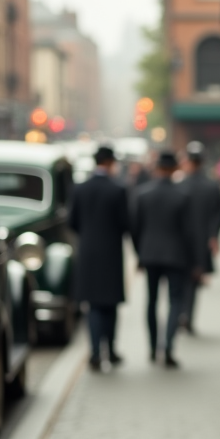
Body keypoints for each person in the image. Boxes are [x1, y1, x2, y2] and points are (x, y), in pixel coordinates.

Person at [68, 145, 128, 371]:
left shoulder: (80, 189)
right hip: (111, 253)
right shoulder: (118, 190)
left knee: (92, 305)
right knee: (110, 305)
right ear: (110, 162)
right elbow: (125, 223)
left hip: (88, 253)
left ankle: (94, 353)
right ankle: (110, 350)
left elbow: (72, 222)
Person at [133, 151, 194, 368]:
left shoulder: (142, 194)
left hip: (150, 255)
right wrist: (193, 260)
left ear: (157, 168)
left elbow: (136, 229)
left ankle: (152, 347)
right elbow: (189, 232)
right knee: (175, 301)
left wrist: (139, 254)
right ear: (175, 169)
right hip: (176, 255)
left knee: (151, 301)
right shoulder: (183, 195)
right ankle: (168, 346)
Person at [178, 141, 220, 334]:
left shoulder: (180, 185)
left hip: (181, 240)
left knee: (180, 281)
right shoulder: (211, 186)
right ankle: (187, 315)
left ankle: (180, 313)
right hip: (202, 240)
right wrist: (213, 237)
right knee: (193, 281)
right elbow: (218, 216)